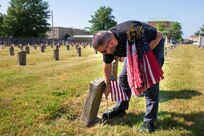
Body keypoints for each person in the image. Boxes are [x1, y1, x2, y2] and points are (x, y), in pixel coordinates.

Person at [92, 20, 164, 133]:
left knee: (150, 82)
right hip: (133, 52)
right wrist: (108, 85)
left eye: (105, 51)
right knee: (123, 78)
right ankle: (120, 109)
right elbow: (107, 65)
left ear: (110, 43)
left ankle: (149, 121)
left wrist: (141, 56)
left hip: (152, 47)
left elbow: (159, 35)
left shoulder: (133, 30)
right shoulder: (107, 45)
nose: (105, 54)